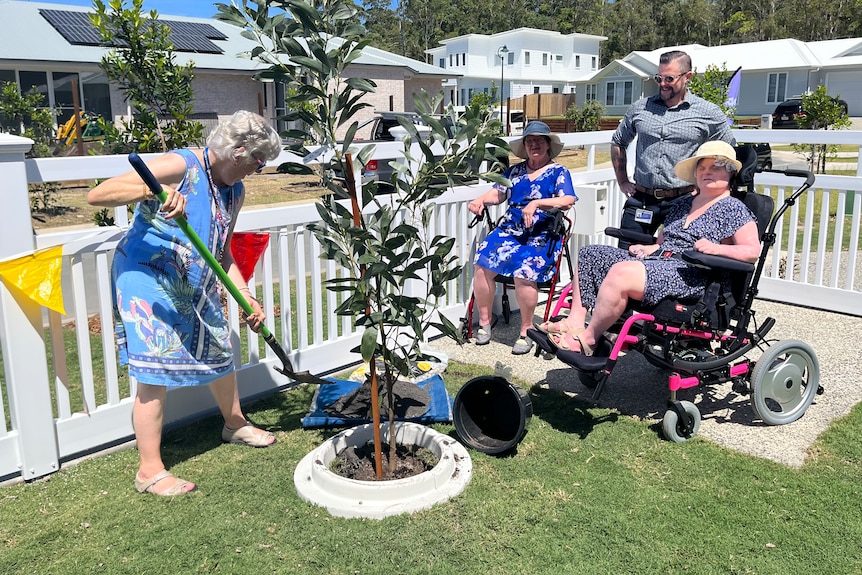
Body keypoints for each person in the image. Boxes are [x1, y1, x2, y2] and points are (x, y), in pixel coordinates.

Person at [87, 110, 282, 496]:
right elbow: (98, 195)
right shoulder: (182, 164)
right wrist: (153, 192)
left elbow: (223, 252)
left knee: (219, 350)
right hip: (148, 279)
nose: (258, 171)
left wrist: (246, 297)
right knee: (154, 368)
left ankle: (234, 424)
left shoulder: (234, 191)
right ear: (239, 151)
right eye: (259, 163)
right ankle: (150, 471)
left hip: (195, 282)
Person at [536, 141, 761, 355]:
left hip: (693, 275)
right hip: (661, 262)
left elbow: (752, 251)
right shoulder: (684, 202)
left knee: (621, 272)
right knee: (590, 254)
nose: (706, 172)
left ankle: (589, 338)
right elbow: (663, 241)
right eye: (701, 167)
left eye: (715, 167)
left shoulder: (733, 208)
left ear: (731, 172)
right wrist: (649, 248)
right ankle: (575, 320)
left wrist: (716, 249)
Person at [468, 121, 577, 355]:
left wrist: (536, 203)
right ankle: (486, 323)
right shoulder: (515, 172)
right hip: (510, 231)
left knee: (524, 272)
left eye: (539, 140)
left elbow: (568, 200)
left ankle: (526, 331)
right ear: (525, 146)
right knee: (482, 261)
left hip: (541, 235)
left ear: (548, 144)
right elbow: (498, 193)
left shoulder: (558, 172)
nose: (534, 145)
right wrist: (479, 200)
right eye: (529, 141)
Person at [611, 50, 735, 246]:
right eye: (659, 78)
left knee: (674, 260)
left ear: (688, 77)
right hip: (641, 200)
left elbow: (727, 152)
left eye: (669, 78)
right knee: (625, 257)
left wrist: (708, 187)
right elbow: (618, 141)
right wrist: (623, 181)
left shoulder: (708, 112)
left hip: (684, 202)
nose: (662, 84)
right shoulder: (640, 108)